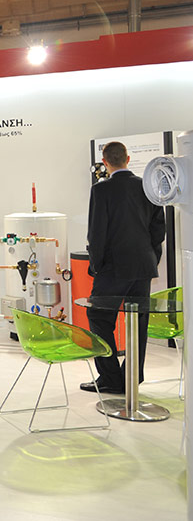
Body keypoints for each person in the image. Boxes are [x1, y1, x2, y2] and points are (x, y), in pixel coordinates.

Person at [82, 141, 166, 394]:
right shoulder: (146, 186)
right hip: (143, 266)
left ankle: (110, 378)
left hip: (113, 268)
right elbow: (158, 229)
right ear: (128, 159)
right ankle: (131, 378)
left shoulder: (101, 190)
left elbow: (97, 233)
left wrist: (96, 265)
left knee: (99, 318)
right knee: (138, 323)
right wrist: (151, 258)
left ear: (105, 162)